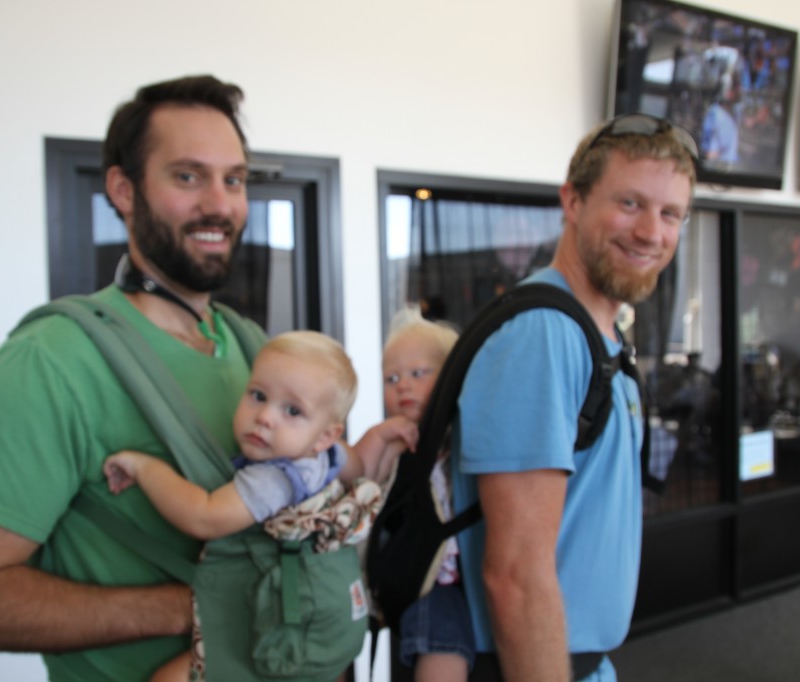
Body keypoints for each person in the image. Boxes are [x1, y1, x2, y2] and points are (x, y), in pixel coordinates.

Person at [0, 75, 265, 681]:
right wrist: (195, 607)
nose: (219, 203)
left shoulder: (254, 346)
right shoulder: (50, 361)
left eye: (233, 179)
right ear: (124, 190)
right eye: (188, 176)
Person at [450, 113, 697, 681]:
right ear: (573, 201)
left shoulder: (598, 334)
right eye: (630, 204)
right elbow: (513, 574)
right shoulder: (543, 334)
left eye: (670, 214)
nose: (651, 233)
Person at [103, 330, 413, 682]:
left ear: (325, 434)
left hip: (281, 625)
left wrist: (146, 469)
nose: (266, 416)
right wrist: (381, 437)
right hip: (323, 617)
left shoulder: (274, 480)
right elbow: (361, 467)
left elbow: (202, 516)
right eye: (258, 395)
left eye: (292, 410)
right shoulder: (329, 453)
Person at [381, 307, 473, 681]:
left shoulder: (464, 438)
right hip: (431, 585)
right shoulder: (391, 446)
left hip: (473, 575)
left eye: (418, 374)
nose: (403, 385)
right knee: (441, 642)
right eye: (391, 377)